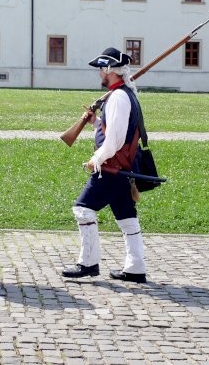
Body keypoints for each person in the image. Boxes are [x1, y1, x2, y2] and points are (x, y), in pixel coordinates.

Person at [62, 47, 147, 283]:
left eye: (102, 69)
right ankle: (136, 268)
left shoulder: (119, 96)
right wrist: (96, 121)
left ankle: (88, 263)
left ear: (110, 69)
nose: (100, 73)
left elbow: (116, 140)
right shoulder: (120, 94)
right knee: (127, 218)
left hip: (110, 166)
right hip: (119, 167)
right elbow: (116, 129)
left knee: (82, 209)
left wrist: (96, 159)